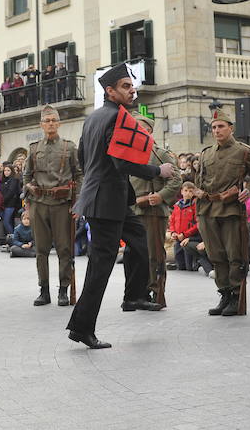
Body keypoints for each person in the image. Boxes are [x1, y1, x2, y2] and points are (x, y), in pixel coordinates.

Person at [66, 63, 177, 349]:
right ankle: (82, 328)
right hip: (105, 201)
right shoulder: (117, 117)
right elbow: (120, 161)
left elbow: (82, 155)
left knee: (139, 242)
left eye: (132, 85)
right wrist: (157, 172)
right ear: (110, 90)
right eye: (126, 86)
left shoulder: (94, 118)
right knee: (100, 268)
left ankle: (134, 295)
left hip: (107, 197)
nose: (132, 90)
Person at [194, 107, 250, 317]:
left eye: (221, 126)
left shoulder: (243, 151)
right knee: (216, 255)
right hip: (207, 208)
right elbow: (200, 181)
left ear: (230, 128)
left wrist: (248, 191)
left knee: (235, 255)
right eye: (214, 127)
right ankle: (224, 293)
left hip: (231, 209)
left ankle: (235, 295)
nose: (216, 130)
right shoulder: (206, 153)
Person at [23, 105, 84, 306]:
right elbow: (26, 175)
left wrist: (78, 202)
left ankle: (63, 290)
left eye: (53, 120)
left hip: (61, 205)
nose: (50, 124)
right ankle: (44, 290)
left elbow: (78, 175)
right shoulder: (33, 148)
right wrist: (28, 190)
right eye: (46, 121)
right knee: (40, 249)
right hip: (39, 204)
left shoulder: (69, 147)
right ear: (41, 124)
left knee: (64, 248)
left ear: (58, 123)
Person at [130, 114, 181, 307]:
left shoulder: (160, 154)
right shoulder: (128, 153)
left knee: (154, 254)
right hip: (133, 211)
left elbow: (176, 180)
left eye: (138, 127)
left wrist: (160, 196)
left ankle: (156, 291)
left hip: (153, 212)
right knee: (135, 254)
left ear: (148, 131)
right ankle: (140, 291)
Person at [0, 164, 21, 243]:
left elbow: (11, 192)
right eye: (5, 170)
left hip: (10, 204)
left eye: (8, 170)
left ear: (11, 171)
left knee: (6, 221)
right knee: (7, 222)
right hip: (3, 204)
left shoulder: (14, 180)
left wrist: (2, 201)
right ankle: (10, 240)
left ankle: (13, 239)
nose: (6, 172)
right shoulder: (3, 180)